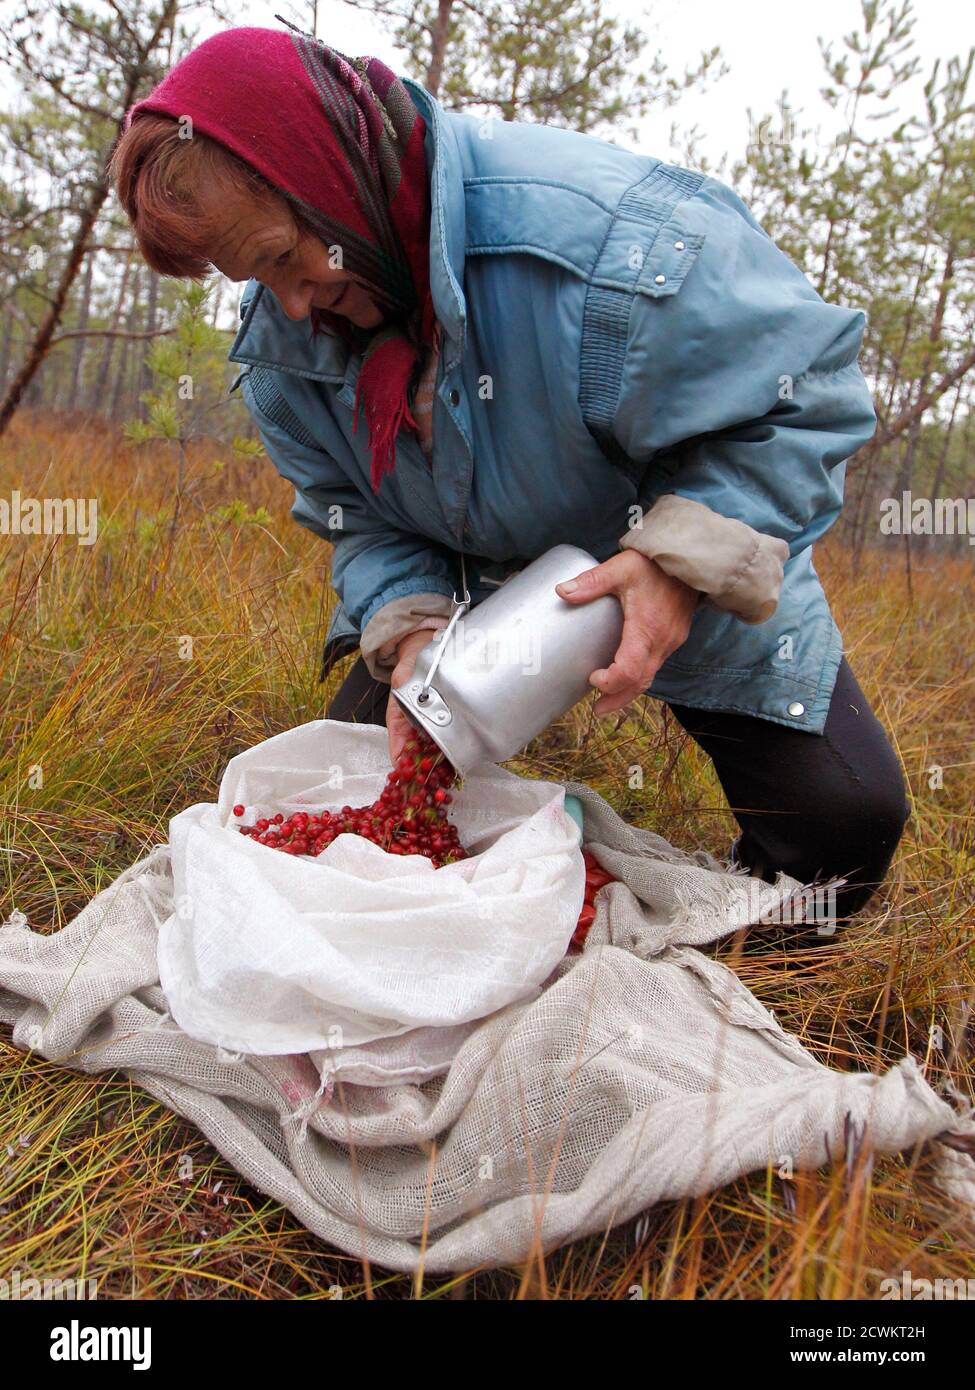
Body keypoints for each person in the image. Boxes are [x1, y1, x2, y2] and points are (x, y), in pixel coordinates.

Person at [110, 23, 909, 922]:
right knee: (359, 804)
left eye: (282, 258)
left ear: (324, 175)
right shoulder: (284, 350)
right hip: (462, 593)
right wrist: (410, 631)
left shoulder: (608, 242)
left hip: (680, 544)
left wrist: (680, 565)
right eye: (249, 278)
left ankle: (719, 960)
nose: (291, 303)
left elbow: (802, 398)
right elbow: (354, 516)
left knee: (844, 826)